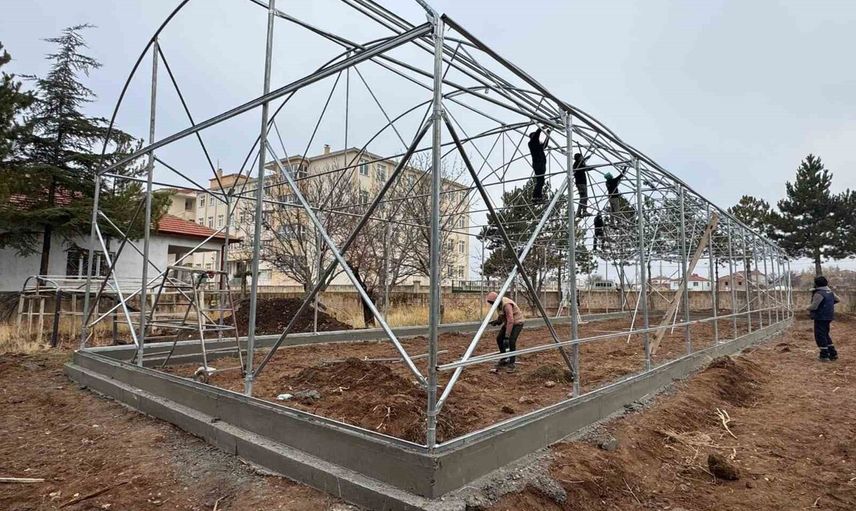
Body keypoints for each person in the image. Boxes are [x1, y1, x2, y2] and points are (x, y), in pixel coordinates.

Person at [486, 291, 525, 372]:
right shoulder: (498, 304)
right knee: (499, 338)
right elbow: (502, 315)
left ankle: (512, 363)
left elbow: (511, 320)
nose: (492, 304)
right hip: (508, 323)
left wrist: (507, 336)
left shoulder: (506, 305)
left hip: (517, 323)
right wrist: (497, 321)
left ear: (496, 300)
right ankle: (504, 357)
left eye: (492, 302)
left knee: (511, 341)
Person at [807, 275, 840, 362]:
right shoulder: (830, 292)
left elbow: (814, 306)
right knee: (825, 334)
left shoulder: (819, 293)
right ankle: (833, 354)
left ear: (816, 284)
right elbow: (838, 300)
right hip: (829, 316)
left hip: (820, 317)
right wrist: (828, 304)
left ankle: (824, 355)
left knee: (820, 336)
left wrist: (806, 307)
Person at [528, 127, 550, 201]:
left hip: (541, 164)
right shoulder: (532, 143)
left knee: (541, 181)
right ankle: (536, 196)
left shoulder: (538, 145)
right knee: (540, 181)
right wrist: (541, 128)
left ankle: (538, 196)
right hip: (538, 164)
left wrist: (548, 134)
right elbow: (536, 136)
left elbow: (545, 144)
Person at [573, 153, 589, 217]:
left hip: (580, 183)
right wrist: (591, 167)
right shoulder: (578, 164)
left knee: (582, 198)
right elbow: (585, 168)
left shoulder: (577, 164)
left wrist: (585, 159)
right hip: (581, 183)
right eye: (581, 157)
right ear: (579, 158)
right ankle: (584, 211)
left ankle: (579, 212)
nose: (582, 157)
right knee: (585, 197)